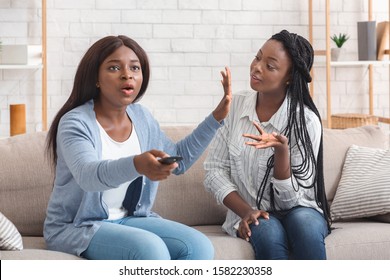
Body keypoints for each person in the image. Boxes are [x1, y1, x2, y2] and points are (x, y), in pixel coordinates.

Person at [44, 35, 232, 260]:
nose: (127, 74)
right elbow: (88, 176)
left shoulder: (141, 117)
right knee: (151, 250)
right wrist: (137, 164)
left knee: (199, 247)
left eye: (135, 67)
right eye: (114, 67)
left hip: (127, 219)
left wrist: (216, 118)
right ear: (96, 78)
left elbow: (177, 160)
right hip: (77, 226)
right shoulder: (75, 122)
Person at [204, 30, 331, 260]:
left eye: (270, 66)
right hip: (250, 209)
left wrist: (281, 152)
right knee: (268, 233)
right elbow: (214, 171)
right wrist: (246, 212)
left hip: (299, 208)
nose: (256, 67)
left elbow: (290, 202)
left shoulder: (306, 121)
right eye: (258, 57)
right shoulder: (235, 106)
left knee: (305, 228)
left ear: (289, 77)